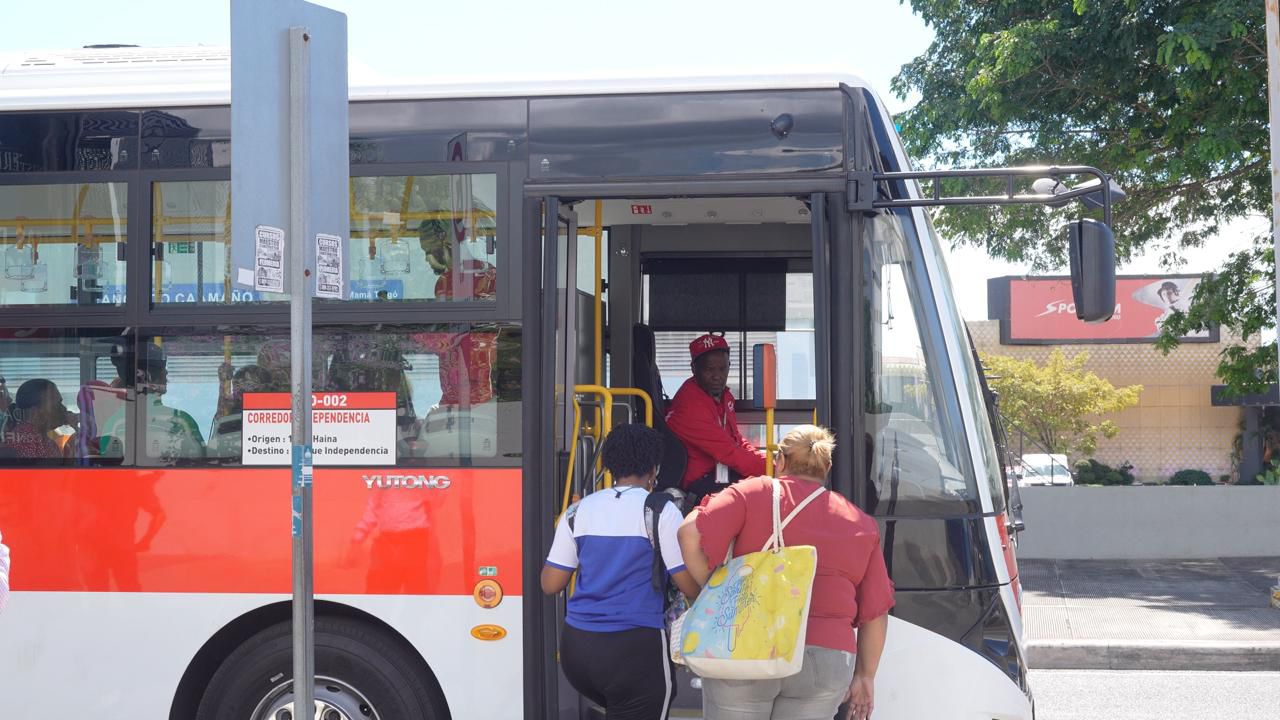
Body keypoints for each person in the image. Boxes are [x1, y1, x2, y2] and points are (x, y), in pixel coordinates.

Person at [677, 425, 894, 720]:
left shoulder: (753, 493)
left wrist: (719, 590)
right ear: (827, 467)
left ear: (779, 460)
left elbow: (689, 533)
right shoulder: (859, 521)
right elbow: (875, 611)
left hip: (745, 644)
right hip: (826, 656)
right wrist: (866, 676)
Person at [541, 423, 701, 720]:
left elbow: (551, 583)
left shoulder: (577, 511)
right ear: (654, 468)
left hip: (578, 650)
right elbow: (687, 583)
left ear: (609, 464)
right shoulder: (660, 510)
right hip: (633, 648)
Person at [665, 333, 765, 501]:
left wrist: (768, 460)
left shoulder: (723, 396)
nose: (717, 376)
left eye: (722, 368)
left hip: (719, 473)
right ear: (693, 369)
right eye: (709, 369)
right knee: (762, 491)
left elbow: (736, 440)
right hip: (698, 483)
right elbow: (729, 452)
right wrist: (775, 469)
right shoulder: (690, 405)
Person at [100, 342, 205, 461]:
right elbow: (200, 460)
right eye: (162, 368)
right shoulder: (181, 420)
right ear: (148, 377)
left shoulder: (113, 423)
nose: (166, 373)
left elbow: (108, 462)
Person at [0, 379, 74, 460]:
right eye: (57, 404)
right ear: (35, 412)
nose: (64, 408)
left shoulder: (42, 439)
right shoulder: (25, 442)